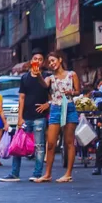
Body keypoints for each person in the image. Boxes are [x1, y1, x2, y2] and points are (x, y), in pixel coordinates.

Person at [1, 51, 51, 182]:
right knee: (18, 145)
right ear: (31, 61)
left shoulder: (46, 76)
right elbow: (21, 98)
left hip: (40, 117)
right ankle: (14, 173)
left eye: (40, 59)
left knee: (39, 146)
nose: (38, 61)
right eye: (35, 59)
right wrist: (19, 117)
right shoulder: (24, 78)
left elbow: (49, 92)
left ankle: (37, 173)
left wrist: (48, 104)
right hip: (26, 117)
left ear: (43, 62)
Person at [35, 51, 81, 183]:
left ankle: (68, 174)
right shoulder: (50, 78)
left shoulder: (72, 75)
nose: (51, 64)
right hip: (55, 108)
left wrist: (71, 92)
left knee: (69, 142)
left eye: (53, 60)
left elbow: (78, 91)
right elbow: (44, 85)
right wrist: (38, 74)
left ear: (60, 60)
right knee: (50, 143)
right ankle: (47, 173)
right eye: (49, 62)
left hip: (70, 107)